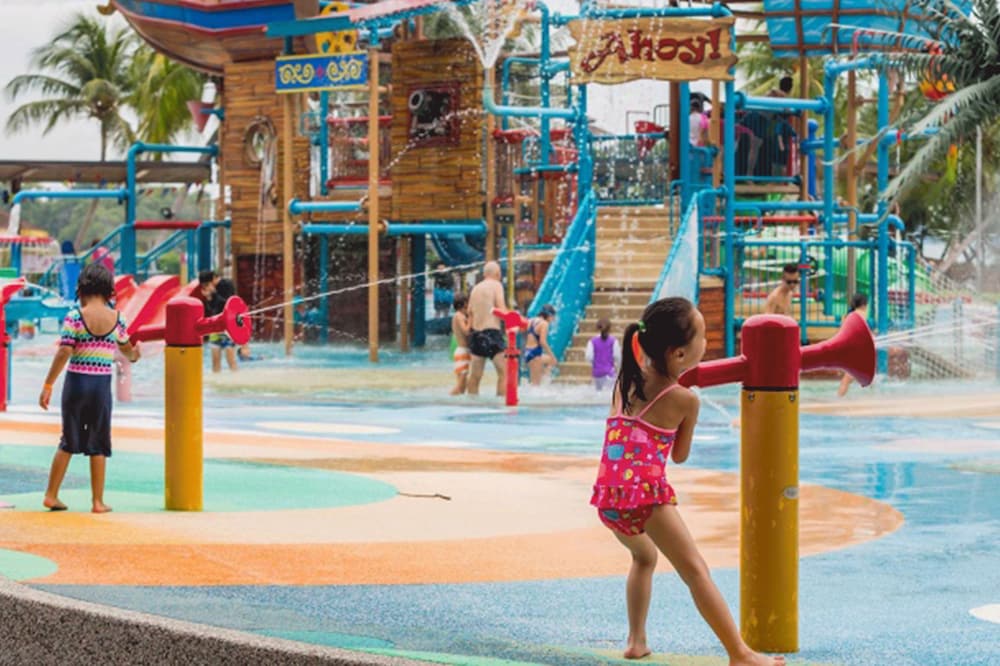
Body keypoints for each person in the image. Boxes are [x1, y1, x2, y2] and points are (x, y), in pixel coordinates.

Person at [591, 297, 785, 665]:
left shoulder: (623, 381)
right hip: (644, 495)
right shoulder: (684, 399)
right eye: (703, 336)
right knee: (695, 570)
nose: (707, 343)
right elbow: (679, 455)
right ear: (679, 354)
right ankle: (740, 653)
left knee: (644, 556)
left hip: (608, 497)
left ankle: (636, 640)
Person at [39, 263, 140, 513]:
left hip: (75, 384)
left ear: (81, 289)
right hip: (100, 388)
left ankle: (51, 495)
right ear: (109, 291)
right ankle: (97, 501)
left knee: (68, 440)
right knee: (99, 442)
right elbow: (128, 350)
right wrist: (135, 355)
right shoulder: (117, 318)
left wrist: (48, 383)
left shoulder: (75, 316)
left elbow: (64, 350)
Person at [466, 261, 507, 396]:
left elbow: (469, 311)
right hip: (492, 332)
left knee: (475, 376)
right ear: (498, 274)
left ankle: (471, 402)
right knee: (504, 373)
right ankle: (501, 402)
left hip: (476, 334)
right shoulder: (497, 285)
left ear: (484, 274)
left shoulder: (475, 288)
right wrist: (514, 320)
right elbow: (500, 309)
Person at [837, 293, 869, 397]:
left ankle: (874, 396)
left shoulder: (846, 316)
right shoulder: (861, 314)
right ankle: (838, 399)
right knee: (848, 377)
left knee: (866, 375)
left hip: (848, 348)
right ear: (864, 305)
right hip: (857, 350)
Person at [207, 278, 238, 372]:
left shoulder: (224, 299)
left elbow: (223, 304)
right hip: (217, 331)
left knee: (228, 361)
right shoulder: (216, 298)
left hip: (227, 332)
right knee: (222, 363)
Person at [524, 304, 558, 385]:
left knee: (551, 361)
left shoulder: (531, 320)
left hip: (528, 353)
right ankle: (544, 380)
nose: (552, 319)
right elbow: (542, 341)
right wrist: (552, 355)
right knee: (535, 385)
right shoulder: (544, 324)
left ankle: (545, 378)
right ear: (548, 315)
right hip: (535, 354)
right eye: (552, 317)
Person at [586, 318, 621, 391]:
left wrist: (595, 364)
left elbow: (589, 357)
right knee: (610, 392)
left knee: (598, 392)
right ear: (610, 328)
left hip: (597, 373)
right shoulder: (614, 341)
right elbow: (617, 357)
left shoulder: (592, 341)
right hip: (609, 373)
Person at [450, 293, 471, 395]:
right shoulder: (459, 316)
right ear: (465, 304)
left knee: (462, 385)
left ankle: (456, 400)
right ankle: (449, 398)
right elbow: (466, 331)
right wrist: (471, 319)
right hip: (463, 351)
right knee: (461, 383)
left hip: (463, 351)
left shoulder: (460, 316)